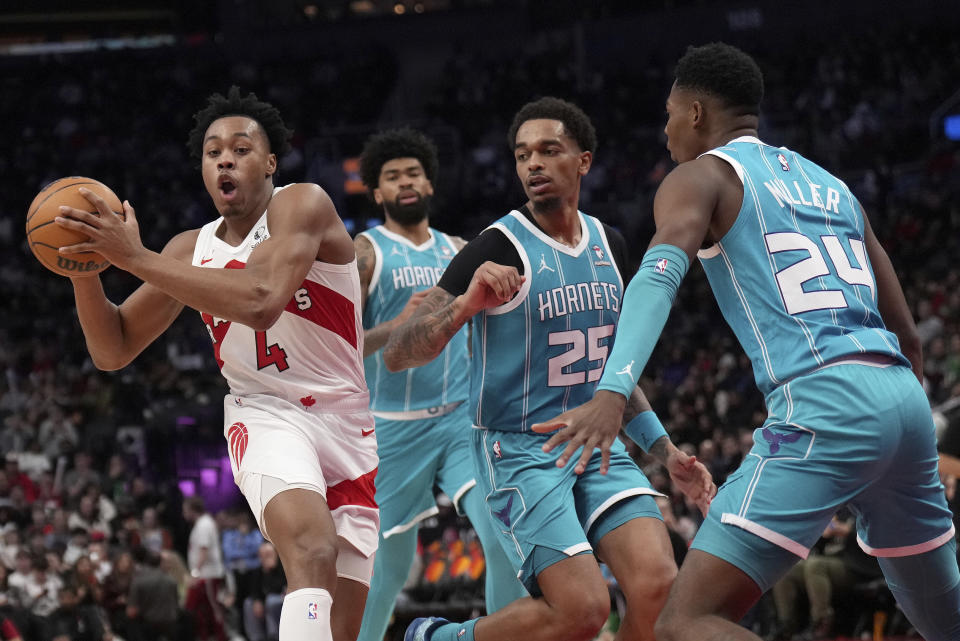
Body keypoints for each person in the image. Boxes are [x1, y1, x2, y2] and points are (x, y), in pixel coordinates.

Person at [531, 43, 960, 641]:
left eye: (670, 115)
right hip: (903, 401)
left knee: (686, 622)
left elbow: (657, 282)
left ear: (698, 113)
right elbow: (907, 332)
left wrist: (612, 388)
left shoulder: (700, 175)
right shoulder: (833, 185)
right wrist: (894, 423)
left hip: (823, 401)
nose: (665, 131)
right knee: (948, 622)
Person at [383, 97, 715, 641]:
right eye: (521, 154)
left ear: (583, 160)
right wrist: (465, 306)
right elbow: (398, 351)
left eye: (548, 150)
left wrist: (666, 451)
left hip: (595, 446)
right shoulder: (497, 245)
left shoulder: (612, 244)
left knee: (658, 583)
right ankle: (438, 638)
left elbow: (614, 373)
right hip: (518, 453)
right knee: (583, 610)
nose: (532, 164)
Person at [54, 86, 378, 641]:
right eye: (212, 151)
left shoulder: (303, 204)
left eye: (241, 148)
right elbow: (113, 349)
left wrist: (134, 258)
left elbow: (261, 300)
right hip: (266, 413)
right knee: (310, 548)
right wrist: (87, 271)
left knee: (339, 625)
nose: (225, 158)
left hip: (347, 423)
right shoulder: (189, 250)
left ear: (271, 161)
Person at [353, 127, 526, 641]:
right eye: (392, 176)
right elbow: (337, 346)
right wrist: (393, 329)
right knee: (387, 568)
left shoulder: (458, 249)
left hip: (458, 422)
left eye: (413, 173)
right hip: (389, 430)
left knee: (500, 532)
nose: (405, 182)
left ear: (429, 183)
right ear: (377, 193)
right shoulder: (364, 253)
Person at [183, 497, 226, 641]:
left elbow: (203, 550)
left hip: (207, 575)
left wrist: (195, 573)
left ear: (191, 509)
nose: (183, 513)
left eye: (185, 509)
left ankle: (221, 637)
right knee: (201, 610)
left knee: (213, 609)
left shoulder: (204, 525)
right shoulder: (202, 524)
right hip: (204, 575)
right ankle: (205, 637)